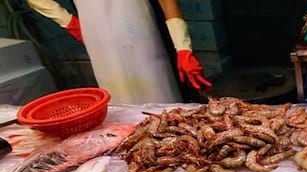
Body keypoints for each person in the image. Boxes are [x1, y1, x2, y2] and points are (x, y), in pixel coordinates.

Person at [26, 0, 212, 104]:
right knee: (118, 101)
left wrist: (182, 48)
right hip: (98, 36)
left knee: (163, 98)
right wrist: (67, 21)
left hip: (143, 33)